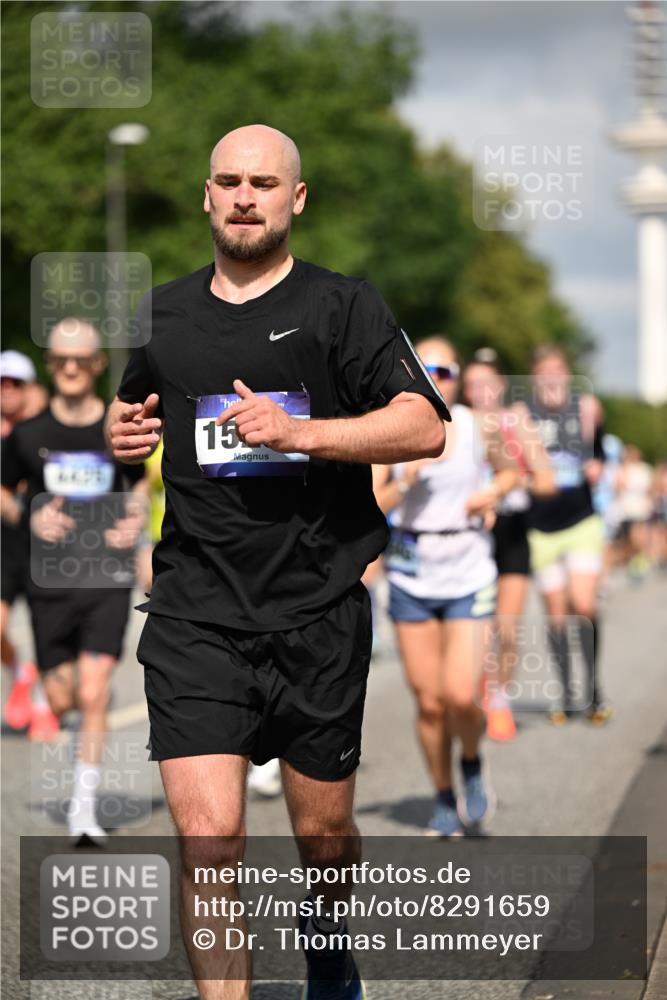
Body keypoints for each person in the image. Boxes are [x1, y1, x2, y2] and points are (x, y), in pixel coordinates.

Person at [106, 124, 450, 1000]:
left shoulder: (344, 307)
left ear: (295, 199)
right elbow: (129, 426)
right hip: (195, 611)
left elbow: (424, 426)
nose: (244, 196)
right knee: (210, 839)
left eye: (264, 182)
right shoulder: (162, 316)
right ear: (207, 195)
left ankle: (327, 938)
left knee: (323, 839)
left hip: (316, 606)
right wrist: (117, 442)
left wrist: (301, 433)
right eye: (228, 180)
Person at [1, 320, 147, 843]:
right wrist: (28, 515)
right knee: (63, 698)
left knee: (93, 690)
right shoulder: (28, 434)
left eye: (80, 359)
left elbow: (137, 486)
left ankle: (83, 809)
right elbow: (4, 490)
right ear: (50, 364)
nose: (69, 367)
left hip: (105, 577)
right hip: (50, 582)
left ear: (98, 364)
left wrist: (134, 521)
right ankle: (57, 709)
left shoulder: (117, 429)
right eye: (61, 358)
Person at [372, 337, 519, 837]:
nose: (435, 376)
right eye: (423, 366)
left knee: (460, 694)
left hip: (467, 569)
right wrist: (407, 478)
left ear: (457, 377)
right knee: (429, 701)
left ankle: (473, 765)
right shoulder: (389, 426)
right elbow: (375, 503)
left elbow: (510, 473)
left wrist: (493, 492)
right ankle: (441, 794)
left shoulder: (478, 426)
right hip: (412, 572)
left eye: (445, 369)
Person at [462, 351, 555, 740]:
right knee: (478, 626)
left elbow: (547, 482)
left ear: (500, 385)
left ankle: (500, 697)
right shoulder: (458, 423)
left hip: (512, 529)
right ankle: (477, 691)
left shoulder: (516, 421)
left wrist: (517, 482)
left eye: (488, 383)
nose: (481, 391)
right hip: (472, 532)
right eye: (473, 385)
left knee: (508, 626)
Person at [527, 345, 612, 725]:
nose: (551, 376)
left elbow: (599, 453)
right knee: (556, 612)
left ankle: (593, 689)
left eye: (557, 369)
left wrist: (597, 465)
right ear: (534, 376)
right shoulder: (523, 413)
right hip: (542, 526)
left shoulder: (586, 408)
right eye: (544, 370)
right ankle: (566, 693)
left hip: (581, 519)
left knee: (583, 603)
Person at [0, 350, 55, 737]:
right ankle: (22, 672)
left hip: (43, 546)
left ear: (29, 387)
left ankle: (43, 702)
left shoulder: (42, 429)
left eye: (14, 384)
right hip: (5, 544)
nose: (6, 391)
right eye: (1, 384)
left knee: (47, 632)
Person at [615, 444, 654, 582]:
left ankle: (640, 561)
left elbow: (651, 489)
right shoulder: (622, 469)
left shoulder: (644, 469)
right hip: (626, 510)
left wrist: (650, 504)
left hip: (640, 510)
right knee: (628, 540)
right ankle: (634, 560)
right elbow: (618, 488)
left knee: (637, 537)